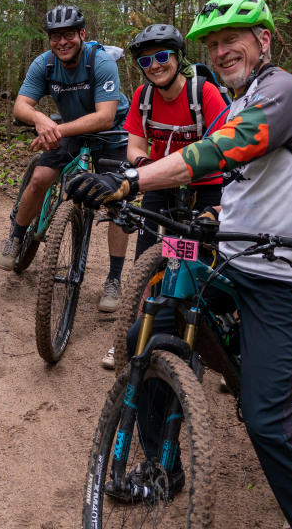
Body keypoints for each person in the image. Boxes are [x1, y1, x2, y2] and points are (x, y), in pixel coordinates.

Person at [66, 0, 292, 528]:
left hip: (290, 272)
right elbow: (246, 179)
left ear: (263, 41)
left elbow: (216, 154)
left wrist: (129, 180)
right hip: (241, 259)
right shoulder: (236, 97)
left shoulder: (284, 92)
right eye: (213, 44)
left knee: (267, 420)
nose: (221, 51)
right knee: (145, 339)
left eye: (232, 41)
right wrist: (215, 214)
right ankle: (162, 467)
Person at [98, 22, 228, 369]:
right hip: (160, 183)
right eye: (146, 61)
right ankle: (134, 336)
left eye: (162, 56)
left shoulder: (204, 95)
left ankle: (219, 346)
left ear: (178, 58)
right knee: (148, 258)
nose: (155, 66)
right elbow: (135, 146)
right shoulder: (142, 99)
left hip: (206, 184)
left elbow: (223, 148)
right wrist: (145, 165)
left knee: (208, 264)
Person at [0, 4, 131, 313]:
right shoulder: (44, 64)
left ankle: (113, 279)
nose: (62, 42)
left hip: (111, 132)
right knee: (40, 178)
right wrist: (40, 119)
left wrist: (54, 128)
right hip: (68, 128)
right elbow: (21, 106)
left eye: (69, 35)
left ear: (81, 34)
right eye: (55, 37)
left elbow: (105, 117)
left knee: (115, 202)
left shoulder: (100, 62)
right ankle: (16, 237)